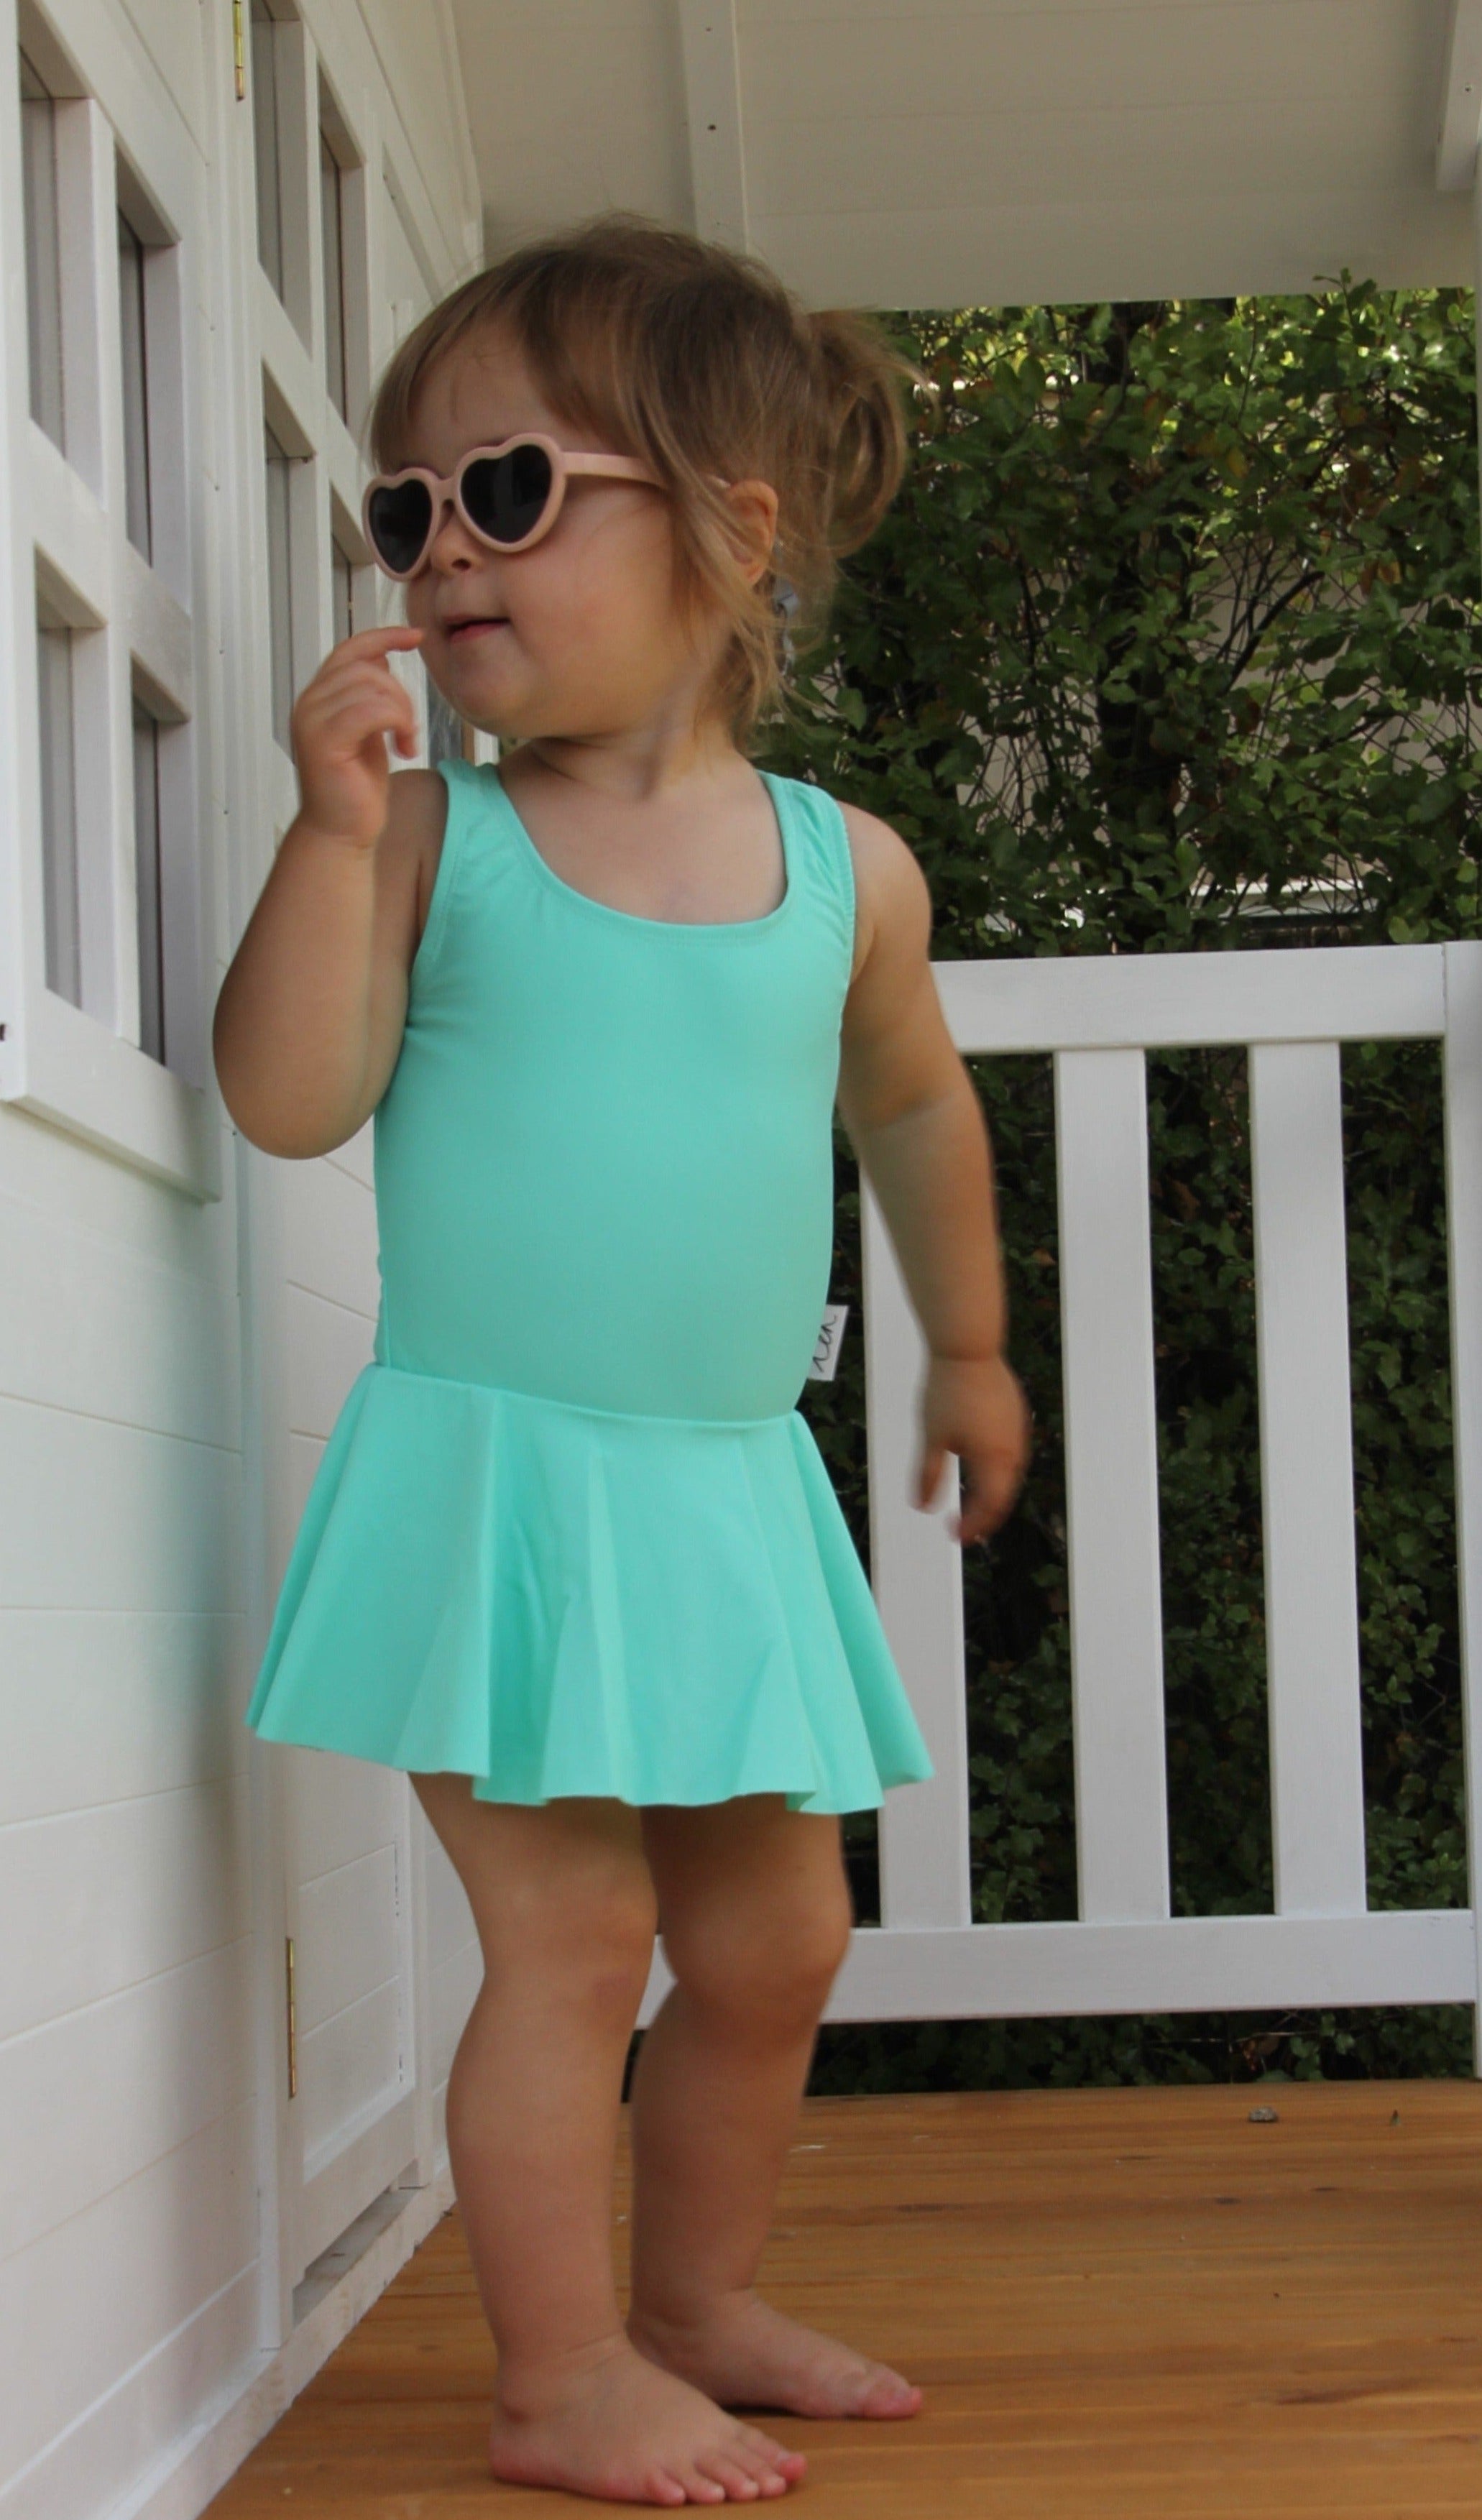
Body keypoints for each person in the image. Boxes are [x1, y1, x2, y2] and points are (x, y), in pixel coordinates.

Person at [215, 215, 1030, 2509]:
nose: (443, 553)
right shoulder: (432, 844)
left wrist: (966, 1341)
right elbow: (284, 1096)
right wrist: (326, 826)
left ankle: (693, 2301)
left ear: (734, 534)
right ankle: (558, 2369)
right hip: (504, 1491)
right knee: (573, 1942)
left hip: (718, 1486)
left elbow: (914, 1103)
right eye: (409, 507)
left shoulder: (842, 867)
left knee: (775, 1935)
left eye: (511, 492)